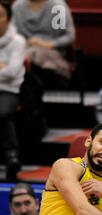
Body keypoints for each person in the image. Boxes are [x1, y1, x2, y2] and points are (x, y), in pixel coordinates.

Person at [12, 0, 75, 88]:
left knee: (30, 56)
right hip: (24, 50)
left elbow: (69, 36)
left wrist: (48, 44)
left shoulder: (57, 6)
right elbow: (12, 35)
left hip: (52, 53)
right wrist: (25, 43)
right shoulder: (17, 7)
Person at [0, 0, 25, 181]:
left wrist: (6, 69)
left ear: (8, 19)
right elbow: (5, 71)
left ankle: (11, 156)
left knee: (2, 112)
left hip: (9, 90)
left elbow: (12, 72)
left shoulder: (17, 41)